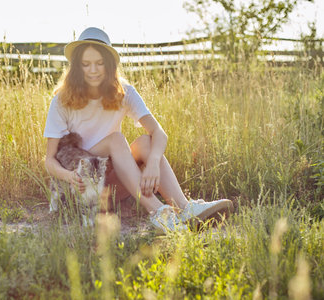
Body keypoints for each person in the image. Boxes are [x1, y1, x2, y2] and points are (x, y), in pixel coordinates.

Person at [44, 27, 233, 232]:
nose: (93, 70)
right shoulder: (62, 100)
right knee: (115, 139)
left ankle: (185, 208)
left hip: (114, 182)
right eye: (86, 64)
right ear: (77, 67)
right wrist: (68, 175)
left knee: (146, 143)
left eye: (99, 63)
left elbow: (159, 132)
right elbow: (49, 159)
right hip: (82, 184)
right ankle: (159, 213)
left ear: (109, 65)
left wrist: (151, 163)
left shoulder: (124, 92)